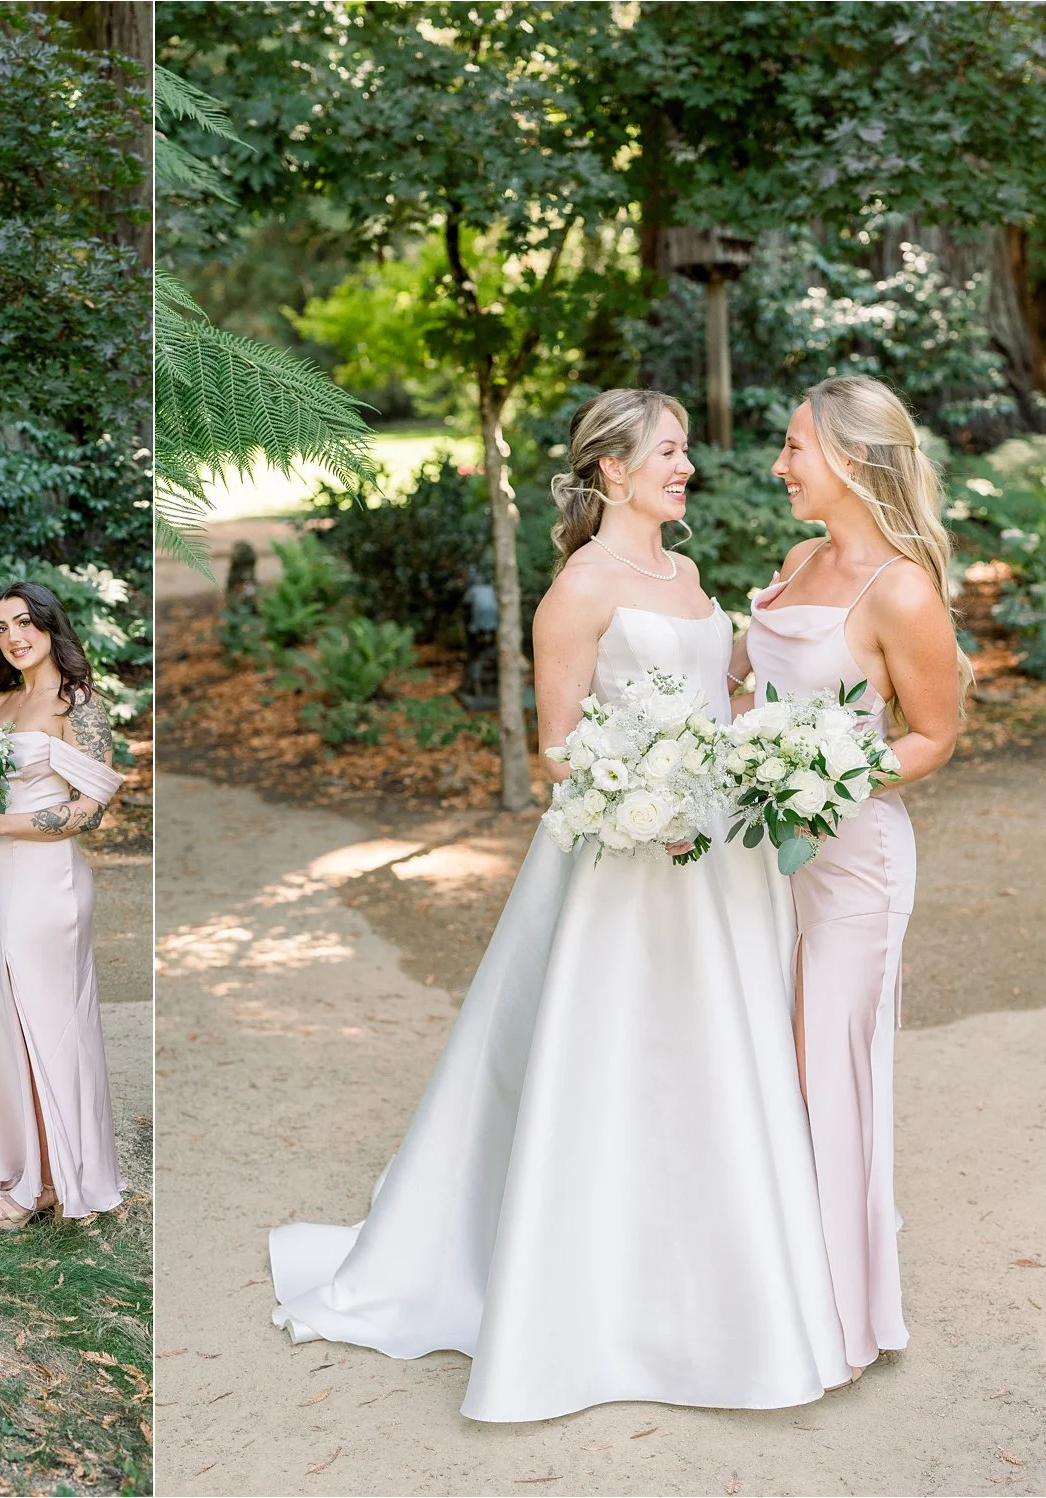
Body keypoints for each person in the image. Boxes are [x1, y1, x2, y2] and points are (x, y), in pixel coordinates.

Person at [269, 389, 850, 1422]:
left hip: (717, 858)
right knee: (616, 1059)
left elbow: (717, 696)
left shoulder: (683, 573)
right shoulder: (574, 593)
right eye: (667, 453)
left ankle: (725, 1287)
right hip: (623, 866)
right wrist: (647, 798)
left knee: (716, 1056)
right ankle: (586, 1297)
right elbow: (557, 751)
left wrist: (761, 732)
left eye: (680, 451)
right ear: (614, 472)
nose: (684, 466)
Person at [734, 373, 965, 1375]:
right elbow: (751, 685)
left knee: (823, 1064)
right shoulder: (797, 559)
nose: (778, 465)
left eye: (795, 448)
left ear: (853, 460)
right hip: (754, 852)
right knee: (757, 1054)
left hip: (850, 863)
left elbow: (934, 735)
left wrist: (824, 776)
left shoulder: (899, 591)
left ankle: (836, 1315)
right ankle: (763, 1281)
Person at [0, 582, 126, 1229]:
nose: (14, 636)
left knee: (49, 1020)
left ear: (50, 626)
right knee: (7, 1022)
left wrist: (1, 825)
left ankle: (55, 1180)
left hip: (46, 879)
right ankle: (34, 1168)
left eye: (25, 622)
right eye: (0, 628)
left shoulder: (78, 705)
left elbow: (91, 809)